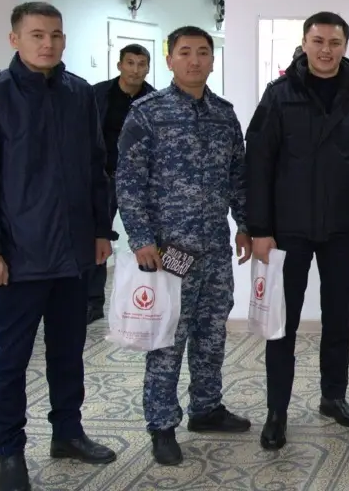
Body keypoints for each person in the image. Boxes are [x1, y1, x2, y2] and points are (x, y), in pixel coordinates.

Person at [0, 2, 116, 491]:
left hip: (73, 254)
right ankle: (9, 452)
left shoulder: (79, 94)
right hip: (17, 257)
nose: (48, 43)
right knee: (10, 359)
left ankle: (68, 433)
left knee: (69, 351)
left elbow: (97, 168)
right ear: (15, 39)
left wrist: (100, 231)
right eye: (37, 34)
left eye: (56, 35)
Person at [246, 12, 349, 449]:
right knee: (282, 323)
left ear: (346, 45)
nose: (326, 50)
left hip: (343, 226)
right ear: (305, 43)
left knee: (337, 317)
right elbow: (258, 164)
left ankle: (333, 397)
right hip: (287, 228)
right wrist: (259, 229)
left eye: (335, 42)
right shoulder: (280, 94)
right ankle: (277, 411)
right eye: (318, 41)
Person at [115, 25, 253, 466]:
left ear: (213, 59)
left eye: (203, 52)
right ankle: (161, 424)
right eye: (185, 52)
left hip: (214, 247)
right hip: (169, 251)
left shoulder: (224, 115)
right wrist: (141, 239)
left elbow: (238, 177)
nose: (195, 60)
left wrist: (245, 225)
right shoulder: (147, 113)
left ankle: (206, 408)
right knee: (167, 337)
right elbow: (128, 182)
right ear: (170, 59)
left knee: (211, 332)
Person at [85, 43, 154, 323]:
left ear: (148, 68)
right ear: (119, 65)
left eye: (141, 64)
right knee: (96, 236)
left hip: (141, 183)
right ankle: (92, 301)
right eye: (130, 63)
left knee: (150, 237)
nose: (135, 70)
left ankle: (153, 295)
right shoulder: (97, 95)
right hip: (104, 178)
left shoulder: (154, 100)